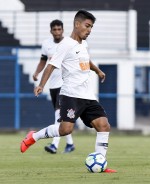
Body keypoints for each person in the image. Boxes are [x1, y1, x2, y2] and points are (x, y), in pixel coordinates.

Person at [20, 9, 116, 173]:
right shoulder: (65, 44)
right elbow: (51, 65)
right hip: (70, 95)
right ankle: (33, 136)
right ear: (77, 24)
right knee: (65, 130)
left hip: (87, 95)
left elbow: (86, 60)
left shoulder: (83, 44)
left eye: (91, 27)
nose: (89, 30)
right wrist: (42, 85)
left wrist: (97, 70)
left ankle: (100, 162)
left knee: (104, 125)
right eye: (87, 26)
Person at [33, 19, 80, 154]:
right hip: (53, 85)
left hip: (65, 84)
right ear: (51, 31)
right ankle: (70, 144)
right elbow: (43, 61)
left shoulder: (68, 44)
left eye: (59, 29)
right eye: (55, 29)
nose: (57, 32)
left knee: (59, 114)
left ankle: (54, 145)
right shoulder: (46, 44)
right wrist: (37, 73)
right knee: (61, 116)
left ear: (63, 30)